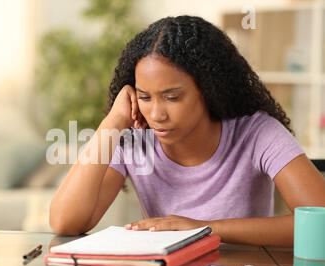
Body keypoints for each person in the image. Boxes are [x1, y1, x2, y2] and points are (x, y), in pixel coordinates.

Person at [49, 15, 325, 246]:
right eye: (145, 97)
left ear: (209, 91)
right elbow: (66, 223)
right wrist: (111, 123)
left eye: (172, 97)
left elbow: (320, 223)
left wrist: (203, 229)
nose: (156, 114)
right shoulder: (134, 140)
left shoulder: (257, 133)